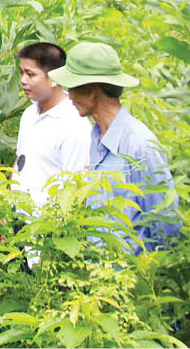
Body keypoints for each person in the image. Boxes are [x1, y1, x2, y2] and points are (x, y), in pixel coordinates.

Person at [47, 41, 181, 254]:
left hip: (131, 277)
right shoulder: (96, 138)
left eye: (73, 88)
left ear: (92, 91)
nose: (69, 96)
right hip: (99, 277)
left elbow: (167, 225)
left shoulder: (140, 146)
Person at [12, 42, 90, 210]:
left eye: (30, 74)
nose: (23, 80)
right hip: (16, 220)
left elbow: (75, 188)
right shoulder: (29, 114)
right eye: (21, 73)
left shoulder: (74, 124)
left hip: (47, 227)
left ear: (54, 78)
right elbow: (19, 162)